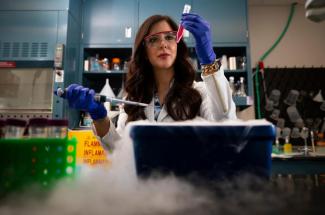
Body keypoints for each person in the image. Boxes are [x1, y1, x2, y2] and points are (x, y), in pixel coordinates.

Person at [58, 13, 237, 151]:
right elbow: (120, 151)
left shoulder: (199, 92)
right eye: (153, 39)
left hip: (191, 192)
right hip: (145, 193)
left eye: (169, 37)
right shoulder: (134, 98)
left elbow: (226, 124)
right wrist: (98, 116)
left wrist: (209, 60)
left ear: (178, 44)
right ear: (143, 51)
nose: (163, 44)